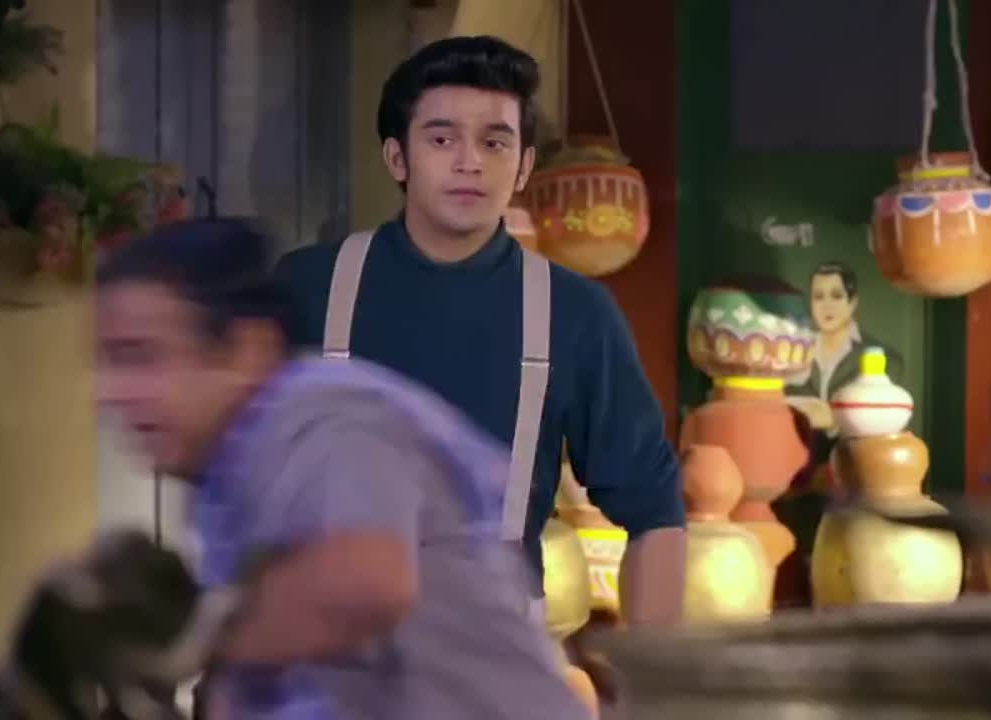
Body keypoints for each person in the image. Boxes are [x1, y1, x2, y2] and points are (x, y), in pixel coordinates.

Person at [88, 218, 590, 719]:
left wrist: (187, 640)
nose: (110, 392)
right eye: (107, 362)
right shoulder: (220, 477)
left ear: (248, 348)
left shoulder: (329, 415)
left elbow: (366, 584)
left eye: (140, 356)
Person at [273, 35, 686, 625]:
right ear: (397, 158)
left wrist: (653, 675)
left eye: (495, 142)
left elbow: (656, 513)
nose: (470, 162)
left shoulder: (573, 313)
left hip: (496, 647)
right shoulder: (308, 288)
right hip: (325, 645)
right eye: (442, 139)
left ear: (524, 167)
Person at [787, 261, 905, 429]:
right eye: (819, 297)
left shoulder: (888, 360)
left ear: (852, 303)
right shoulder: (793, 352)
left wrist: (832, 419)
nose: (826, 306)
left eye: (836, 296)